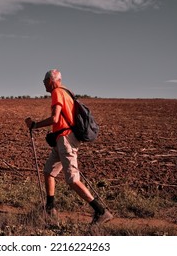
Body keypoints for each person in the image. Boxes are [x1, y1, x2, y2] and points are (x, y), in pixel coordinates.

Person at [25, 69, 113, 225]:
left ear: (52, 80)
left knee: (72, 179)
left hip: (66, 140)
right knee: (49, 172)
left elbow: (55, 118)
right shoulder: (66, 92)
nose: (43, 83)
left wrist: (35, 125)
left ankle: (101, 211)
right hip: (61, 139)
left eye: (45, 81)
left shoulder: (57, 92)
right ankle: (50, 209)